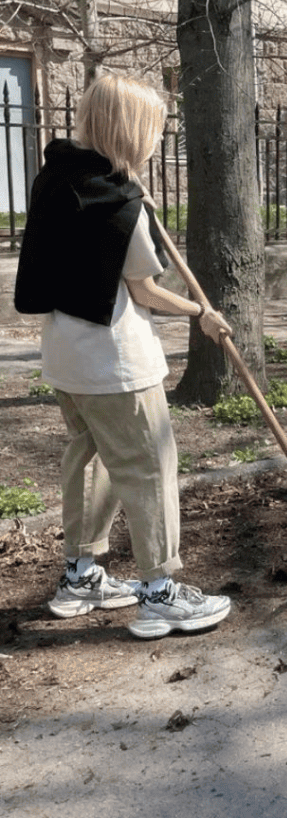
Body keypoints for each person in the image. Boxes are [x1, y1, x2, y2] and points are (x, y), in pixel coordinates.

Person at [14, 72, 235, 639]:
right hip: (116, 362)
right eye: (155, 131)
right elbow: (144, 290)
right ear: (132, 129)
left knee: (93, 461)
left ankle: (81, 576)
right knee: (149, 465)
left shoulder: (57, 178)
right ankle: (161, 592)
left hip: (65, 355)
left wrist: (132, 189)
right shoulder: (122, 204)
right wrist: (201, 315)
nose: (158, 141)